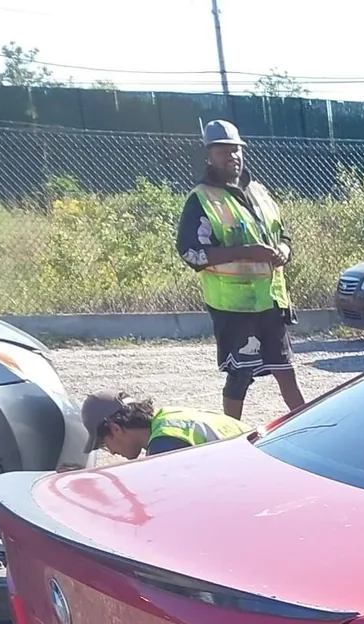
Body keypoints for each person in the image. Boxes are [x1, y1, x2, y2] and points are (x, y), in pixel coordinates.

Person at [174, 120, 307, 421]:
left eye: (235, 150)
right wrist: (246, 252)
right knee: (240, 374)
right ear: (209, 155)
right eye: (223, 151)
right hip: (233, 306)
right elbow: (191, 252)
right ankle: (230, 431)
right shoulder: (201, 199)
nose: (231, 156)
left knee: (285, 368)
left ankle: (308, 425)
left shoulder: (259, 192)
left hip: (270, 299)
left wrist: (284, 250)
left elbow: (282, 234)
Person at [81, 393, 247, 461]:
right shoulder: (170, 417)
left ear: (115, 429)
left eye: (103, 444)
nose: (111, 452)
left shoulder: (165, 444)